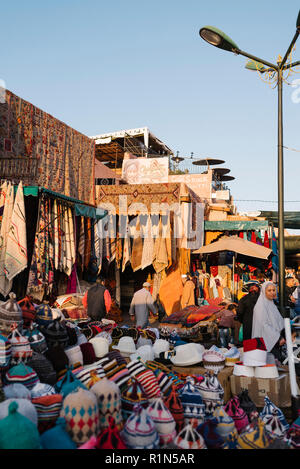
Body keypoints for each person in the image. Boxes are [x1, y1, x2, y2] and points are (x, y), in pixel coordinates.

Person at [251, 281, 285, 360]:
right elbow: (264, 325)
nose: (272, 293)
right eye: (269, 290)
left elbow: (278, 320)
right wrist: (278, 338)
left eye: (273, 290)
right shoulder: (260, 306)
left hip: (274, 341)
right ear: (264, 291)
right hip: (265, 341)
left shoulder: (271, 304)